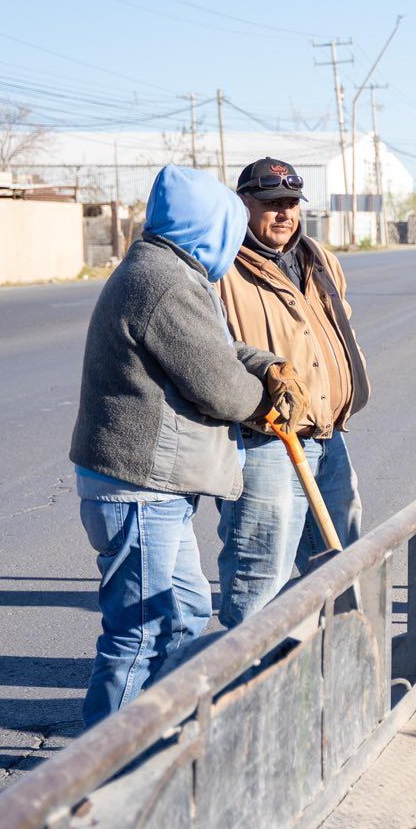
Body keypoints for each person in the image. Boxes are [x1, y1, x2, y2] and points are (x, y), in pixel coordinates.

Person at [69, 165, 305, 726]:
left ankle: (152, 734)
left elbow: (220, 350)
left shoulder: (171, 269)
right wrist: (261, 397)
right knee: (143, 629)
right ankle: (102, 774)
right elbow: (219, 386)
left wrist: (268, 366)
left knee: (188, 611)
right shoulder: (165, 281)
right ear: (212, 224)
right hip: (137, 492)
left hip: (149, 492)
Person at [215, 158, 370, 624]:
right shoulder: (221, 267)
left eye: (290, 204)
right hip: (266, 440)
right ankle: (246, 682)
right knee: (261, 569)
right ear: (243, 204)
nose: (284, 214)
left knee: (339, 555)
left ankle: (327, 669)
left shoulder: (318, 258)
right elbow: (215, 351)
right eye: (271, 205)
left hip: (327, 433)